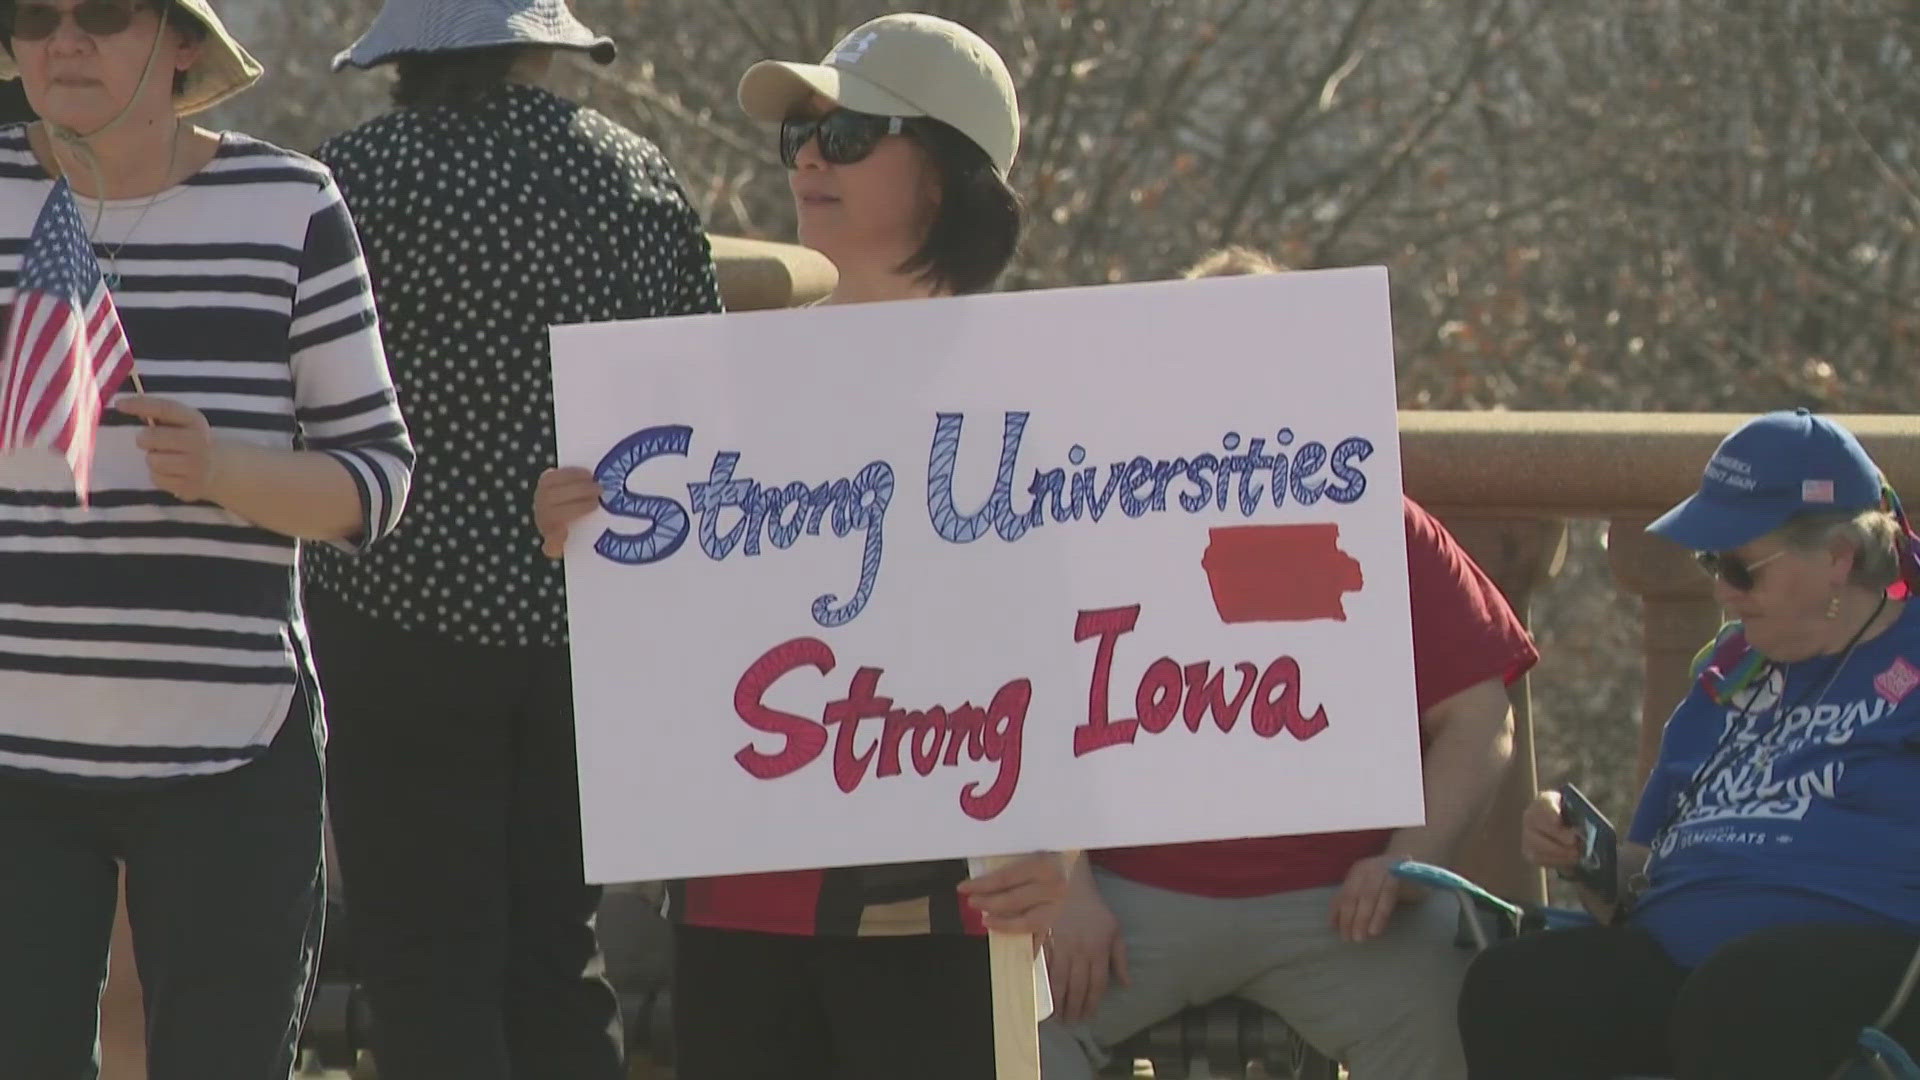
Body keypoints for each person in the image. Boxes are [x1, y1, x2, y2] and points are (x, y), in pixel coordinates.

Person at [534, 13, 1066, 1079]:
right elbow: (671, 638)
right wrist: (582, 540)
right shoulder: (699, 387)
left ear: (948, 178)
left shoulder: (1042, 398)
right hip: (736, 904)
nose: (812, 157)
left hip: (950, 917)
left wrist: (1069, 854)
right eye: (802, 138)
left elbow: (1103, 645)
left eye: (854, 134)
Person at [304, 2, 722, 1077]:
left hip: (393, 614)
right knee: (557, 952)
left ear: (398, 55)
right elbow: (706, 389)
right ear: (539, 44)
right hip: (591, 615)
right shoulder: (631, 174)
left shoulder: (346, 183)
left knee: (425, 959)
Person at [0, 2, 414, 1078]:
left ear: (184, 43)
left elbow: (374, 481)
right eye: (31, 15)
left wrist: (225, 469)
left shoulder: (287, 204)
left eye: (101, 13)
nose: (62, 42)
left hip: (229, 749)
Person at [1039, 250, 1535, 1080]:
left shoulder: (1377, 518)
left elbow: (1481, 715)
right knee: (993, 1025)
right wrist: (1065, 887)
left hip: (1340, 906)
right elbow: (1006, 715)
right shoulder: (1091, 519)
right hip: (1126, 900)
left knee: (1469, 1017)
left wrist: (1406, 858)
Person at [1457, 408, 1920, 1079]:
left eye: (1741, 567)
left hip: (1860, 960)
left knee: (1738, 1000)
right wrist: (1582, 853)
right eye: (1710, 561)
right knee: (1517, 987)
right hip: (1686, 961)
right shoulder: (1729, 673)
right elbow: (1637, 875)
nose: (1720, 590)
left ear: (1837, 559)